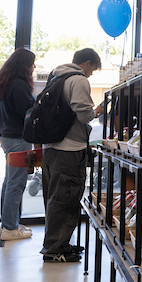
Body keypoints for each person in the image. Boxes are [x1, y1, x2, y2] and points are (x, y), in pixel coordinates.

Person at [39, 48, 101, 263]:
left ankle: (59, 243)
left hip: (51, 147)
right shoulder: (78, 80)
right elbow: (84, 115)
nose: (90, 75)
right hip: (70, 149)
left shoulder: (56, 76)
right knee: (66, 199)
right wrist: (97, 111)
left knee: (54, 199)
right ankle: (55, 250)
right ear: (87, 63)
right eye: (92, 69)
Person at [0, 47, 36, 241]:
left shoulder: (8, 82)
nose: (34, 67)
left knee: (10, 181)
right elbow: (26, 111)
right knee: (16, 183)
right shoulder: (19, 84)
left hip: (8, 136)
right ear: (24, 65)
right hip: (18, 138)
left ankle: (7, 224)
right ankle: (10, 227)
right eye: (32, 64)